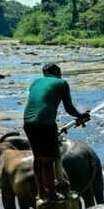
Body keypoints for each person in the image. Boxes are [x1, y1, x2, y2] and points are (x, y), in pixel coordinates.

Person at [23, 63, 90, 200]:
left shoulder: (35, 82)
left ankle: (41, 191)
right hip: (45, 123)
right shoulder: (62, 83)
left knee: (39, 158)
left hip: (28, 122)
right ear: (57, 72)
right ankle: (52, 194)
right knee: (48, 159)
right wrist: (80, 115)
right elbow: (69, 108)